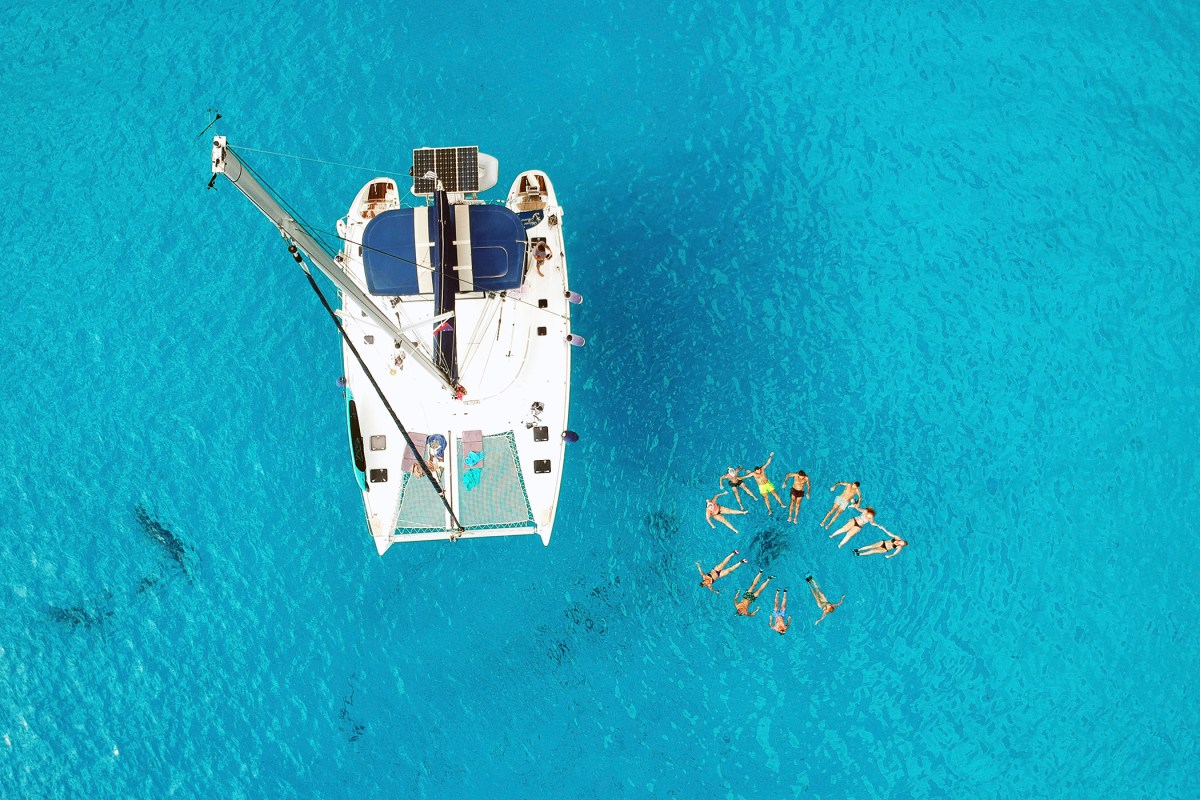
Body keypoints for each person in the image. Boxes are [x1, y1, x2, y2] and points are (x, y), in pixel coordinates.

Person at [828, 505, 894, 548]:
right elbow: (859, 509)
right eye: (869, 515)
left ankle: (840, 544)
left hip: (858, 526)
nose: (869, 517)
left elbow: (872, 523)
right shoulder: (865, 511)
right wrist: (854, 506)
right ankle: (832, 535)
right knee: (843, 529)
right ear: (868, 512)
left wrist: (878, 525)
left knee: (849, 535)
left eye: (871, 517)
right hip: (854, 520)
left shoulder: (871, 518)